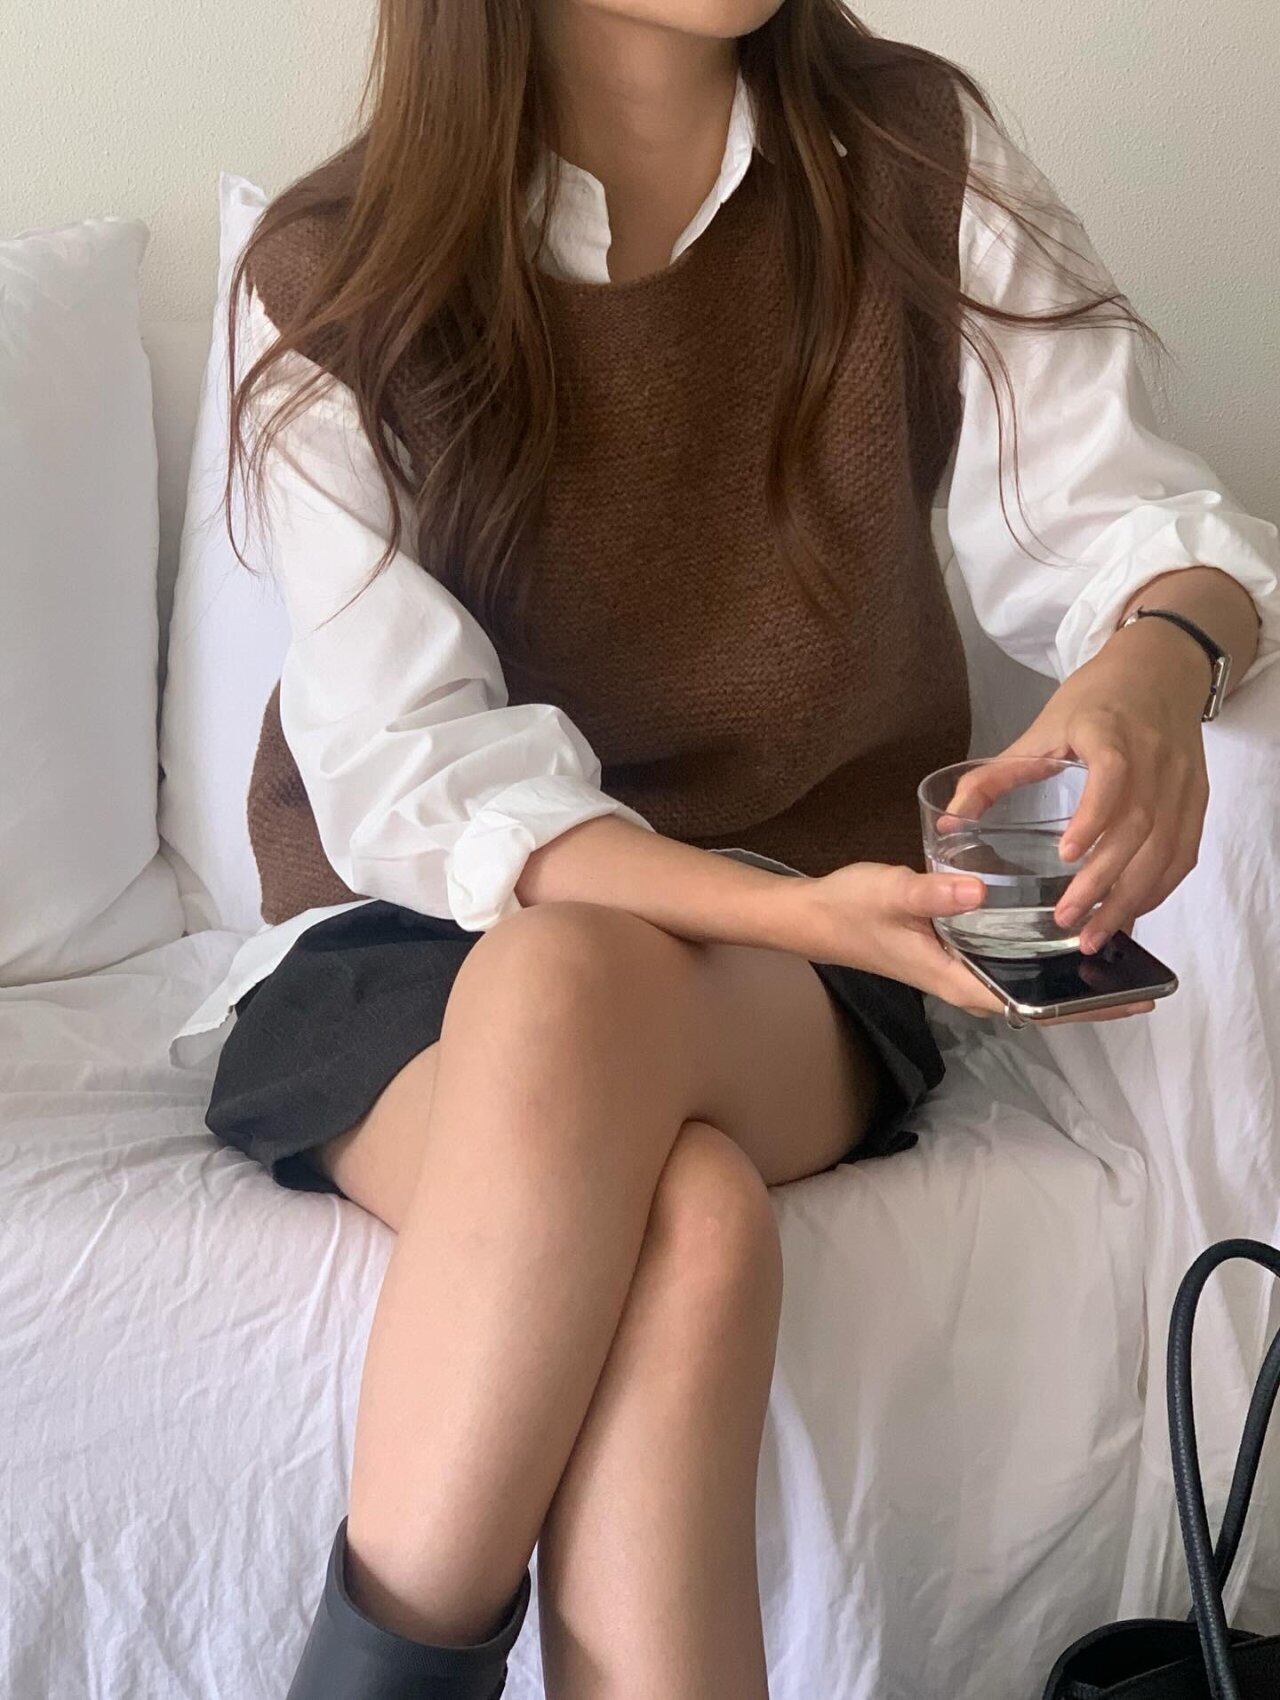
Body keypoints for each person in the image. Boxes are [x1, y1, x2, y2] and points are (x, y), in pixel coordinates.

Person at [170, 2, 1280, 1696]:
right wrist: (792, 912)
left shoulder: (909, 161)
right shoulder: (340, 269)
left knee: (575, 992)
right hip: (420, 939)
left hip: (795, 959)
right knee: (687, 1223)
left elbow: (1134, 523)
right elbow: (416, 773)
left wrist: (1159, 658)